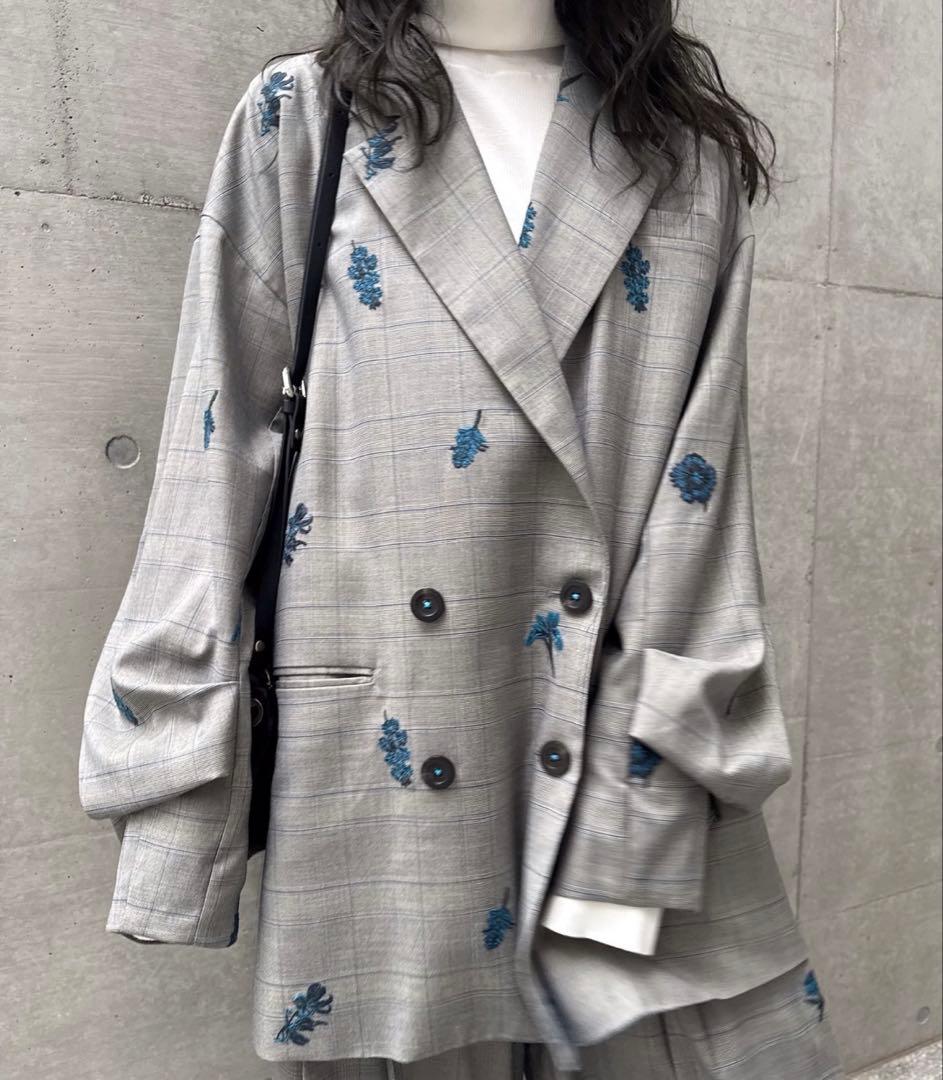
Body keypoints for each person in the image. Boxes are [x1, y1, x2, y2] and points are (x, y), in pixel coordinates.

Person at [78, 1, 847, 1077]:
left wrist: (648, 796)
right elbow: (213, 451)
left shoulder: (682, 157)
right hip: (383, 742)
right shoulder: (305, 116)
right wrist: (176, 804)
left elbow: (701, 505)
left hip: (604, 736)